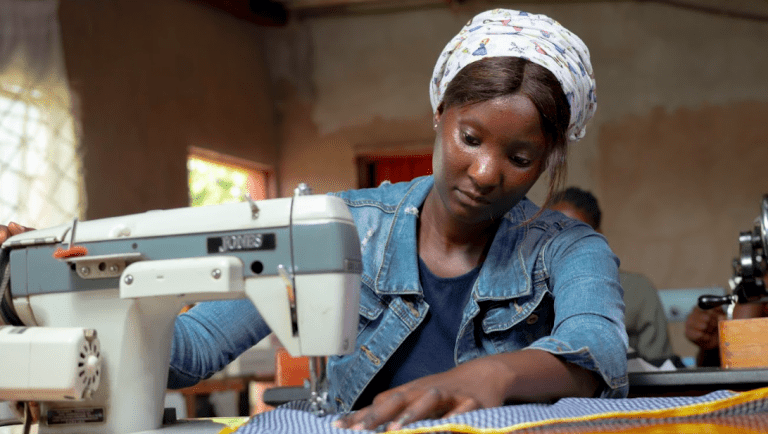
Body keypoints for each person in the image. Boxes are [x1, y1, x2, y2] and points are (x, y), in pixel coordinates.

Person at [1, 8, 627, 431]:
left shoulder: (569, 250)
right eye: (470, 137)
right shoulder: (334, 227)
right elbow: (187, 353)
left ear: (548, 158)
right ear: (439, 115)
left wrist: (489, 375)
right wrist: (70, 300)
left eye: (520, 157)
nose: (488, 172)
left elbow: (596, 349)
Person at [548, 187, 676, 365]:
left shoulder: (637, 290)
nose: (564, 244)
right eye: (553, 233)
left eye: (576, 234)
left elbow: (661, 367)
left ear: (597, 235)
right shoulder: (531, 293)